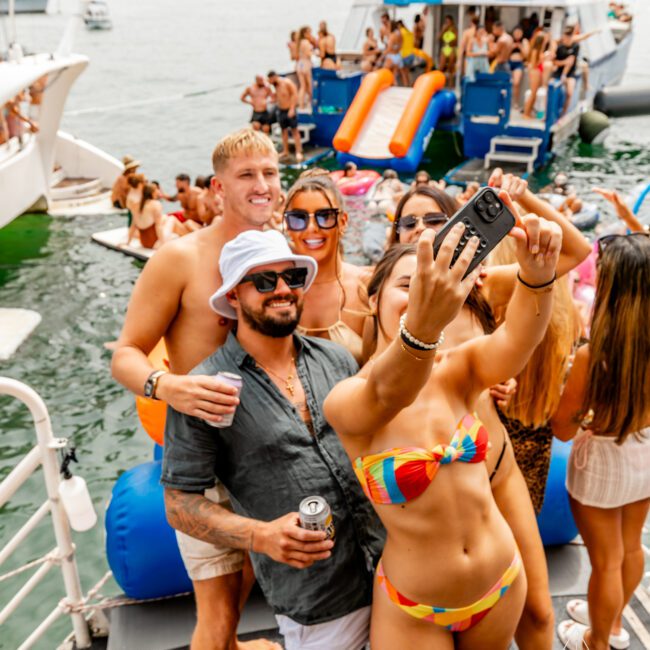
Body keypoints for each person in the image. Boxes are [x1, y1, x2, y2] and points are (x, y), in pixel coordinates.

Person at [325, 200, 563, 648]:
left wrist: (538, 275)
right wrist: (424, 324)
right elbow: (389, 392)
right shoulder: (346, 400)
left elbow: (518, 340)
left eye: (431, 288)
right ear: (372, 298)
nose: (420, 295)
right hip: (416, 608)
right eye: (408, 285)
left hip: (501, 581)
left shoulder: (459, 370)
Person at [162, 229, 384, 650]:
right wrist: (260, 536)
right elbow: (179, 504)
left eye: (292, 278)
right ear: (233, 296)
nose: (282, 289)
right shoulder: (202, 388)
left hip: (392, 568)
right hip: (319, 602)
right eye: (264, 281)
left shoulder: (337, 360)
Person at [111, 128, 283, 650]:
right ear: (219, 187)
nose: (262, 185)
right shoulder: (179, 260)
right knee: (218, 611)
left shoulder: (281, 253)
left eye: (270, 173)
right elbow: (125, 354)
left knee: (249, 580)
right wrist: (169, 386)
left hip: (267, 450)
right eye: (246, 175)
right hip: (203, 454)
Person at [553, 233, 650, 650]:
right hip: (645, 450)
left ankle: (597, 638)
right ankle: (610, 623)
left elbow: (562, 429)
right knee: (631, 549)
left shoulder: (595, 356)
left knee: (606, 563)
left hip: (603, 463)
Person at [283, 174, 370, 364]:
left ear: (343, 222)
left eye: (324, 216)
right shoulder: (275, 289)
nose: (312, 228)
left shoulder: (366, 287)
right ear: (288, 226)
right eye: (298, 218)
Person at [267, 71, 303, 162]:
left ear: (274, 77)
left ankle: (298, 151)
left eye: (270, 80)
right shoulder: (275, 86)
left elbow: (294, 94)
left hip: (289, 109)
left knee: (295, 130)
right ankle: (285, 151)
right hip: (281, 110)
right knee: (284, 131)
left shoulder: (286, 82)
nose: (270, 82)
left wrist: (292, 109)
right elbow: (277, 96)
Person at [523, 34, 547, 119]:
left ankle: (529, 112)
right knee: (532, 94)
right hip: (535, 72)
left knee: (535, 94)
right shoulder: (535, 51)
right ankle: (526, 113)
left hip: (537, 72)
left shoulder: (540, 50)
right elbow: (533, 64)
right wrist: (542, 59)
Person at [509, 26, 529, 109]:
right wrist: (512, 47)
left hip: (518, 63)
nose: (517, 34)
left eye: (519, 33)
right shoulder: (509, 40)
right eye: (515, 33)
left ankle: (515, 102)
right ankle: (507, 101)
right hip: (509, 62)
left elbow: (526, 55)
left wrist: (520, 47)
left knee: (516, 83)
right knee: (508, 83)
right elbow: (504, 53)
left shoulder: (524, 41)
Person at [296, 26, 314, 109]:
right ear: (305, 34)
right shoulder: (306, 42)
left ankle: (301, 105)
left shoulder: (299, 42)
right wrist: (314, 52)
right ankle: (311, 104)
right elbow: (308, 54)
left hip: (300, 64)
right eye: (309, 32)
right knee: (310, 85)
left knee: (302, 86)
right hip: (306, 64)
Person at [438, 15, 458, 85]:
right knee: (441, 67)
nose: (447, 23)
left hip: (452, 48)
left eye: (449, 21)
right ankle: (439, 82)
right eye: (446, 21)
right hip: (445, 49)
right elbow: (438, 38)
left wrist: (451, 42)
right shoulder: (444, 28)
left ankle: (450, 83)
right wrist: (443, 30)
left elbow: (456, 41)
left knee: (450, 67)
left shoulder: (454, 29)